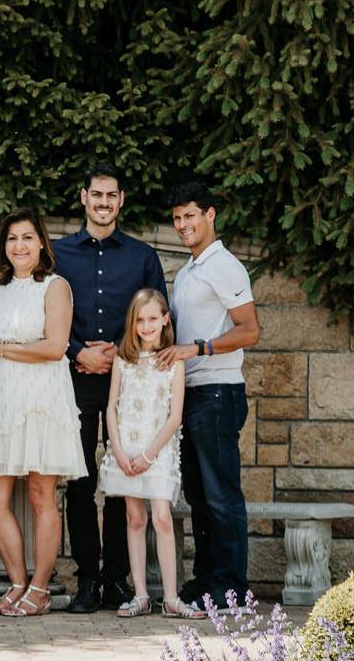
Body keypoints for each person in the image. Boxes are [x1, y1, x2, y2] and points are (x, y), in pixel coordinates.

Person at [51, 165, 166, 613]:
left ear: (121, 200)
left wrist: (119, 351)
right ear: (84, 197)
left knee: (125, 479)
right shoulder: (58, 254)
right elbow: (45, 316)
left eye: (110, 195)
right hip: (74, 381)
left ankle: (117, 578)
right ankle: (87, 580)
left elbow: (160, 317)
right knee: (79, 481)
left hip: (129, 387)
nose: (103, 202)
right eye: (95, 194)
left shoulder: (142, 258)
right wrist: (79, 352)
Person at [0, 209, 88, 617]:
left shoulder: (55, 286)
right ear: (4, 246)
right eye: (12, 238)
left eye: (28, 238)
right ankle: (17, 583)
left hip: (41, 399)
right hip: (3, 401)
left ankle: (40, 589)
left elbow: (55, 347)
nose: (19, 245)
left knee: (41, 496)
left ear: (42, 244)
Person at [160, 181, 261, 614]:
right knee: (199, 496)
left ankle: (232, 589)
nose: (183, 224)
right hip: (192, 394)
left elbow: (249, 330)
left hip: (219, 392)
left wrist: (196, 348)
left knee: (221, 495)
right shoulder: (189, 270)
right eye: (178, 218)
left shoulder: (225, 266)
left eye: (191, 216)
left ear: (210, 215)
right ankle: (206, 583)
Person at [99, 288, 191, 618]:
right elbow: (111, 408)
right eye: (140, 320)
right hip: (127, 448)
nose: (146, 326)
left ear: (165, 319)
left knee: (162, 518)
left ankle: (170, 597)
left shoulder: (173, 362)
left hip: (157, 450)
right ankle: (140, 595)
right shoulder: (123, 360)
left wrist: (150, 455)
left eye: (153, 318)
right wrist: (119, 451)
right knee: (134, 518)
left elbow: (175, 416)